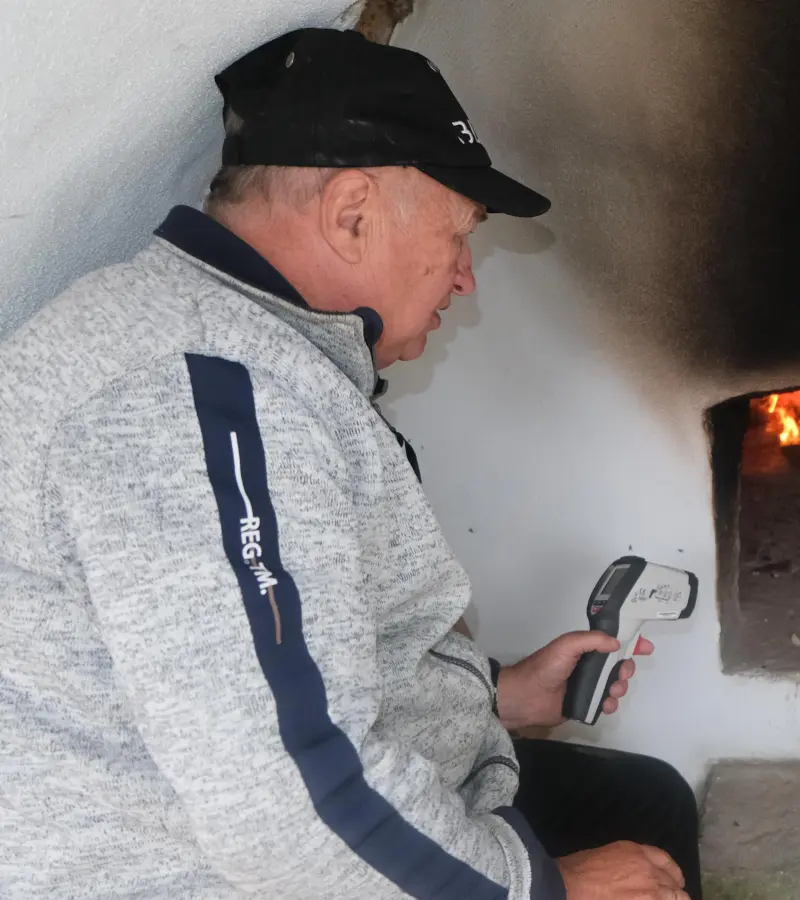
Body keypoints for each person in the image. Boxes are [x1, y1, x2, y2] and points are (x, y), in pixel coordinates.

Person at [0, 28, 697, 900]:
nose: (466, 278)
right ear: (352, 213)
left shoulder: (232, 351)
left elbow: (281, 665)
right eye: (461, 234)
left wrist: (496, 695)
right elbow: (285, 805)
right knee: (639, 850)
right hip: (205, 869)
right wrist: (541, 890)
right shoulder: (201, 401)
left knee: (647, 801)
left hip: (307, 815)